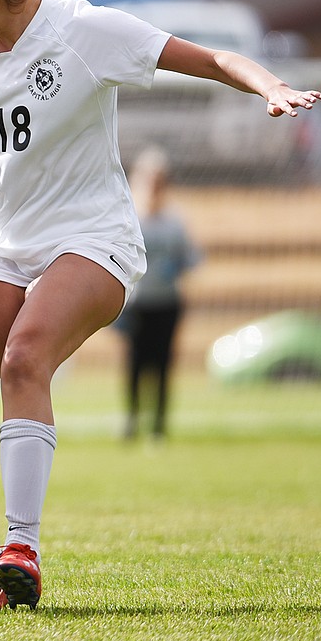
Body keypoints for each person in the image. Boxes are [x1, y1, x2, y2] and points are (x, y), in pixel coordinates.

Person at [0, 0, 321, 610]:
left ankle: (24, 543)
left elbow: (208, 58)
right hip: (4, 239)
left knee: (25, 357)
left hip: (93, 238)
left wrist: (268, 86)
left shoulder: (84, 30)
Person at [115, 147, 201, 441]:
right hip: (137, 304)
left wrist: (175, 267)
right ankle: (132, 421)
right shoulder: (129, 218)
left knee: (163, 365)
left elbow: (191, 258)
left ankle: (159, 427)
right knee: (135, 365)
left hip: (166, 304)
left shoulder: (174, 221)